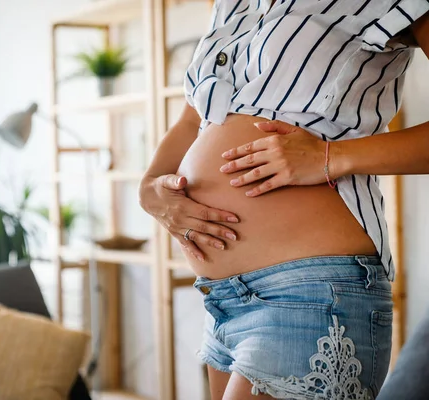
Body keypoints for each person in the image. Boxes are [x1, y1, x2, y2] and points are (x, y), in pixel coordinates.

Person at [138, 1, 429, 399]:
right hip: (221, 298)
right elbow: (194, 121)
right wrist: (150, 188)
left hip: (311, 291)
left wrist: (331, 157)